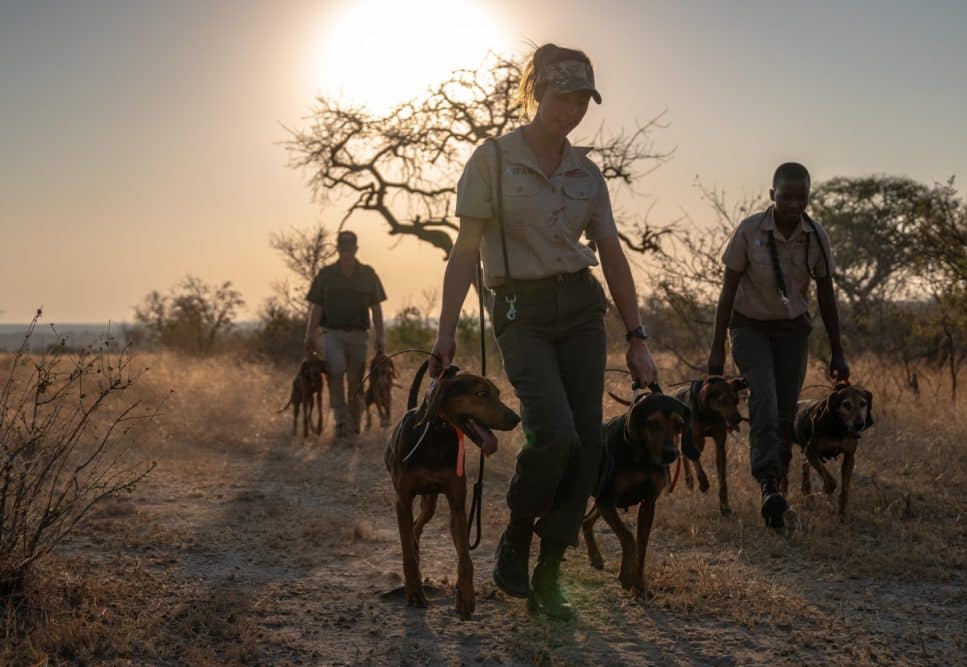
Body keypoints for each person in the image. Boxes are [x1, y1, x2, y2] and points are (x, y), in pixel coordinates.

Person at [428, 43, 657, 620]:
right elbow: (465, 251)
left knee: (586, 450)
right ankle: (518, 533)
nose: (573, 110)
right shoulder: (493, 161)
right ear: (537, 94)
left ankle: (550, 574)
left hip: (581, 311)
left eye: (583, 100)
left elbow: (610, 254)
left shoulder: (587, 174)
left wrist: (637, 337)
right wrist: (446, 331)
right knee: (552, 433)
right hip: (519, 311)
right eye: (563, 97)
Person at [706, 162, 849, 529]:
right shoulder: (750, 230)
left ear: (808, 197)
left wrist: (838, 351)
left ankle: (778, 490)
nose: (794, 204)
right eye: (786, 196)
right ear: (772, 195)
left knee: (786, 410)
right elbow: (728, 289)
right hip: (750, 328)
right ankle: (768, 482)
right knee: (764, 399)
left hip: (793, 332)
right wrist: (717, 346)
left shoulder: (815, 236)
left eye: (802, 197)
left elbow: (827, 297)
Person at [304, 230, 387, 439]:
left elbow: (376, 308)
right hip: (332, 334)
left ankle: (354, 422)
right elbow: (317, 307)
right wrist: (310, 335)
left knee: (356, 380)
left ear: (356, 249)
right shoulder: (326, 274)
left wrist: (380, 336)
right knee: (336, 370)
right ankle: (341, 422)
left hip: (359, 335)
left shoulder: (368, 274)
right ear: (338, 249)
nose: (346, 253)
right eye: (342, 249)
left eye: (349, 249)